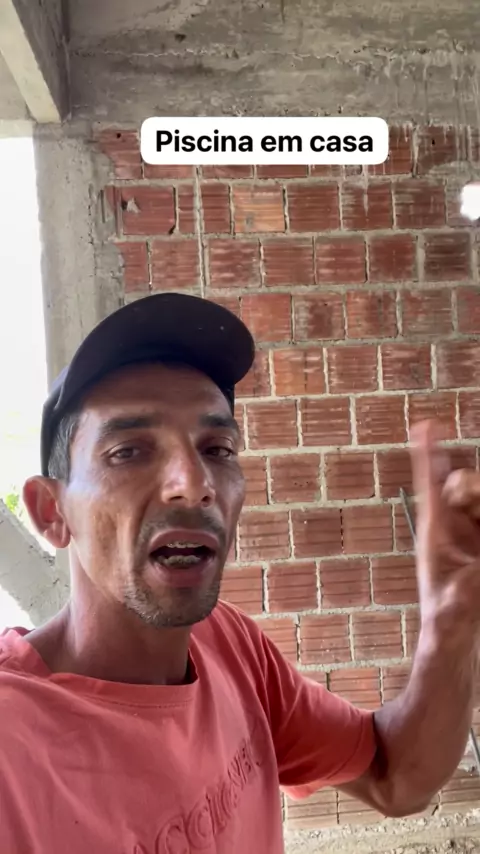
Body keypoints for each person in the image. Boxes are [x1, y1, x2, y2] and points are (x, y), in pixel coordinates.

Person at [0, 292, 479, 854]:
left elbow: (394, 777)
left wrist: (450, 620)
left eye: (218, 448)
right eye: (128, 451)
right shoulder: (13, 747)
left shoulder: (230, 646)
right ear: (52, 512)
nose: (193, 482)